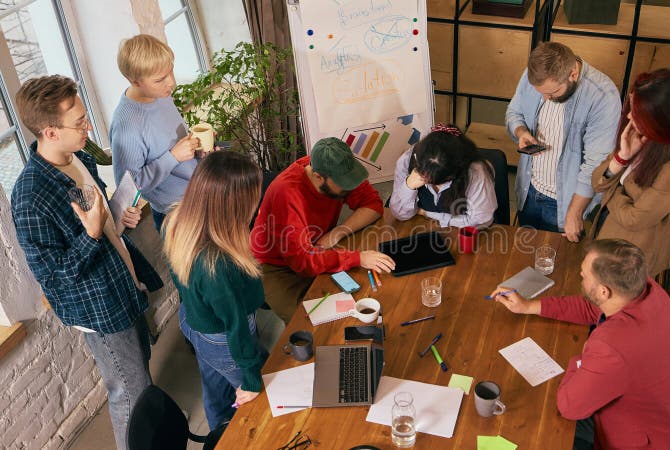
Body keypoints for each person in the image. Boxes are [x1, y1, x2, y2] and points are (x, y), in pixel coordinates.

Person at [11, 75, 163, 450]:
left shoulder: (77, 156)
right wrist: (92, 235)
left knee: (141, 373)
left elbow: (99, 217)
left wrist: (115, 218)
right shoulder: (30, 197)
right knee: (130, 391)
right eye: (78, 123)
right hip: (99, 308)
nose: (88, 127)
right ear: (49, 132)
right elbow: (55, 278)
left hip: (122, 283)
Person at [490, 239, 670, 449]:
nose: (580, 274)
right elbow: (591, 308)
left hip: (657, 442)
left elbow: (568, 406)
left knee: (537, 422)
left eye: (584, 275)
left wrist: (582, 360)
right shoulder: (647, 290)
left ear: (604, 291)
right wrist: (529, 306)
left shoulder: (613, 349)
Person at [163, 151, 267, 430]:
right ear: (233, 205)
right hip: (224, 339)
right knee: (258, 402)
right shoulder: (218, 265)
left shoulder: (177, 221)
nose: (257, 203)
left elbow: (180, 279)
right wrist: (253, 381)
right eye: (254, 197)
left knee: (215, 391)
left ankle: (217, 434)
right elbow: (236, 328)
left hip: (194, 321)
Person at [250, 137, 395, 323]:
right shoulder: (286, 194)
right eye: (344, 183)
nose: (350, 186)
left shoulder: (335, 167)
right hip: (276, 266)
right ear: (318, 177)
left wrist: (338, 232)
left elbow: (373, 205)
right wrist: (358, 257)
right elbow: (302, 261)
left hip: (319, 246)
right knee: (308, 322)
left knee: (357, 299)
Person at [588, 69, 670, 275]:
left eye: (637, 112)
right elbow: (598, 182)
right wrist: (621, 158)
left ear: (662, 120)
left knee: (612, 303)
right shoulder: (640, 136)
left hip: (631, 254)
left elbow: (635, 219)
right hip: (608, 229)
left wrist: (610, 193)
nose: (628, 116)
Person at [506, 42, 620, 241]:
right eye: (541, 93)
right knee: (524, 255)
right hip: (528, 190)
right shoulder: (534, 75)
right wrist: (521, 132)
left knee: (553, 263)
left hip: (565, 201)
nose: (545, 99)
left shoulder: (603, 97)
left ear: (573, 75)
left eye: (552, 93)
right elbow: (514, 112)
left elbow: (595, 165)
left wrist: (575, 213)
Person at [110, 34, 201, 232]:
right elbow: (129, 188)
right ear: (135, 81)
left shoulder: (160, 94)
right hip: (176, 215)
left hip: (200, 195)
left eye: (171, 72)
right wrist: (173, 157)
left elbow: (171, 141)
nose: (172, 83)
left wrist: (198, 150)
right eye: (160, 79)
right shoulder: (127, 126)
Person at [390, 124, 497, 229]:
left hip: (461, 234)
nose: (426, 179)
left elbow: (481, 221)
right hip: (420, 227)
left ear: (453, 173)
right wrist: (408, 185)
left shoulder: (475, 172)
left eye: (434, 181)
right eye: (422, 173)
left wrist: (427, 213)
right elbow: (400, 214)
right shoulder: (407, 160)